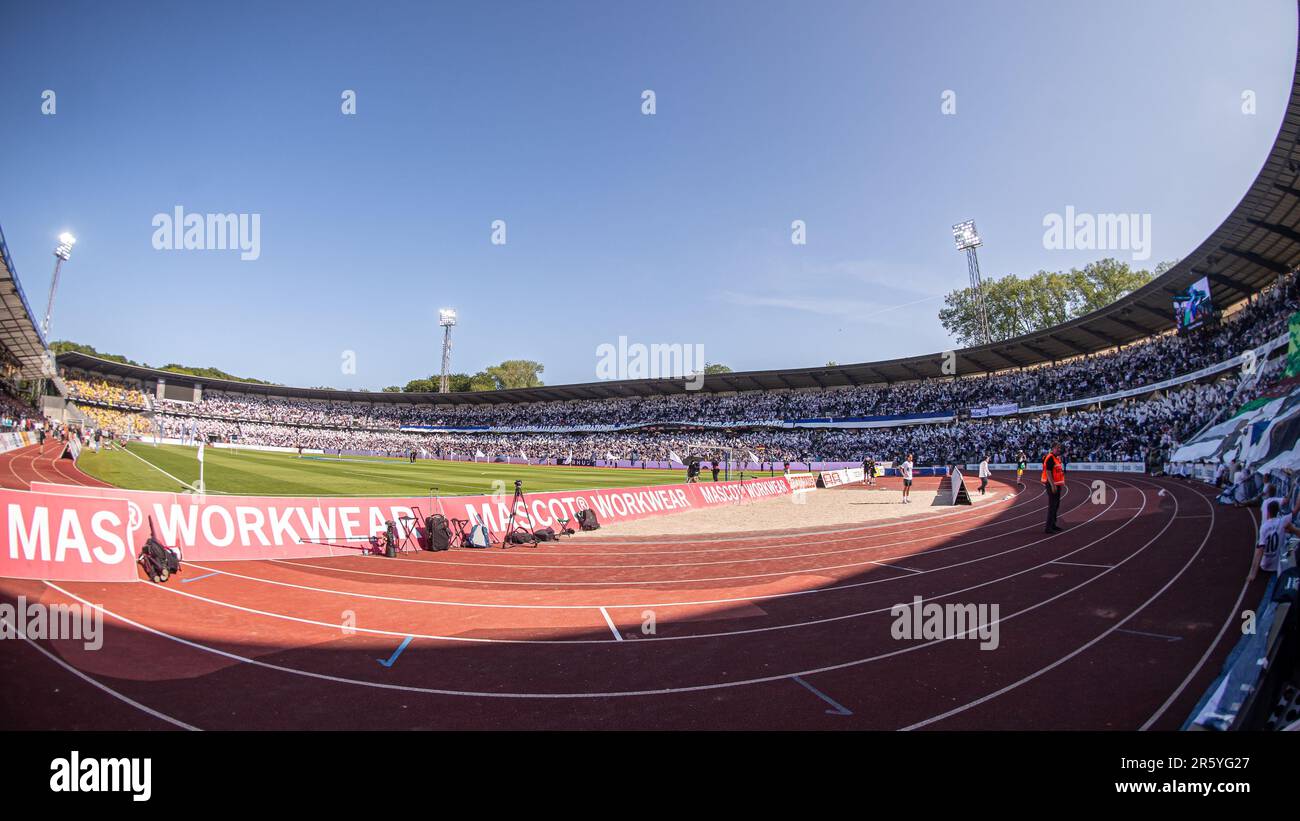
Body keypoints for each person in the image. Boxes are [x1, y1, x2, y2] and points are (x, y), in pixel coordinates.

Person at [1250, 499, 1299, 581]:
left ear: (1268, 512)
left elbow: (1260, 551)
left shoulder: (1264, 526)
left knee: (1259, 544)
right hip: (1277, 565)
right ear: (1278, 511)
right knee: (1291, 541)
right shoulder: (1283, 521)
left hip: (1265, 566)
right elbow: (1295, 510)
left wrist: (1253, 573)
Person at [1042, 442, 1065, 533]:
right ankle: (1048, 528)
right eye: (1057, 448)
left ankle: (1053, 525)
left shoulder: (1057, 458)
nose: (1059, 449)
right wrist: (1052, 485)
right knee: (1052, 506)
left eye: (1060, 448)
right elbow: (1048, 472)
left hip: (1057, 484)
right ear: (1052, 449)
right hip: (1052, 485)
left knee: (1056, 505)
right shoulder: (1050, 458)